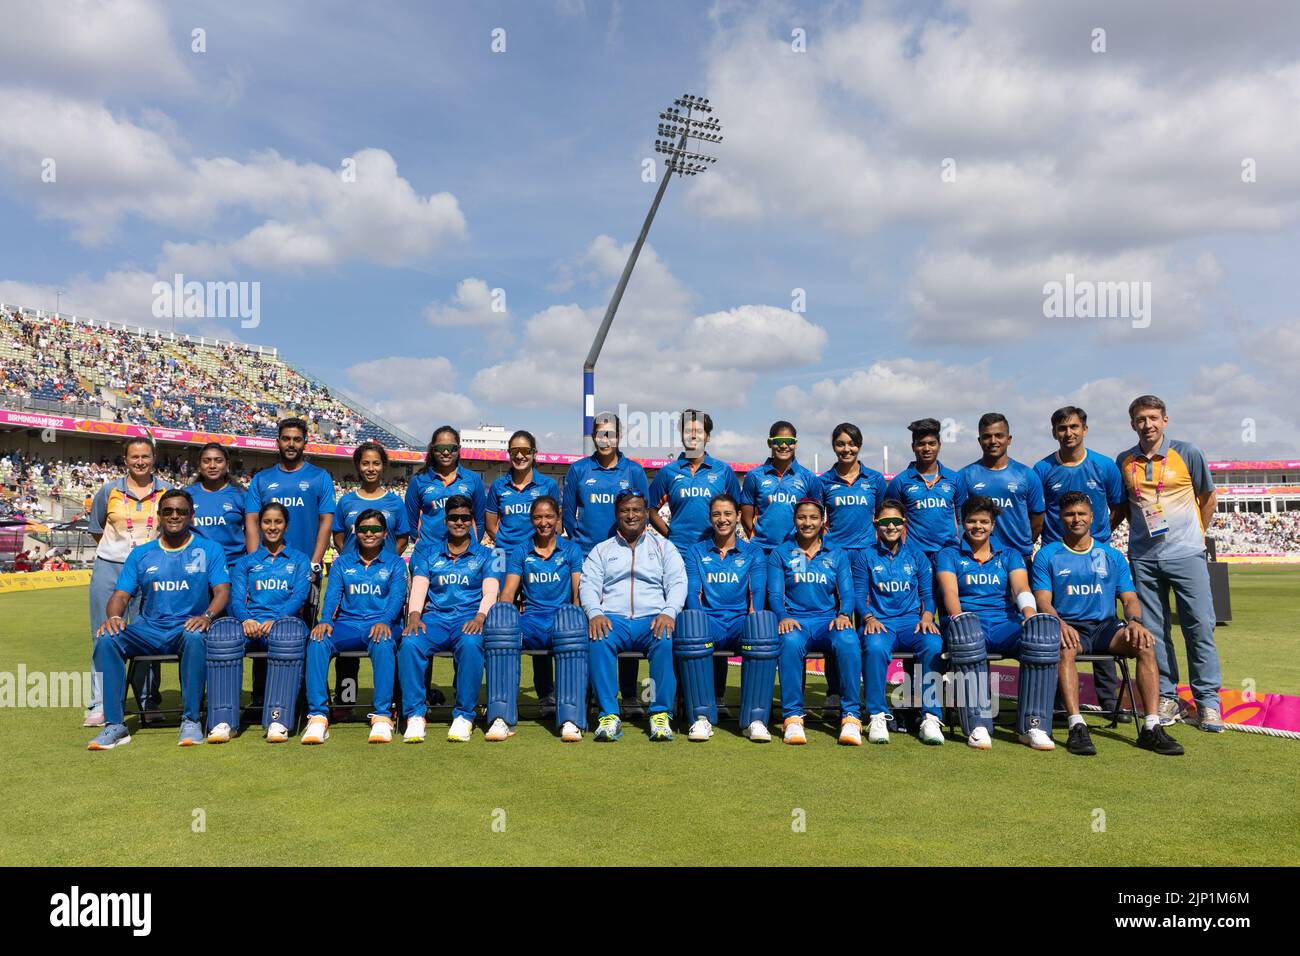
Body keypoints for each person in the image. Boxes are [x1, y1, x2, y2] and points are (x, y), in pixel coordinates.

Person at [1032, 492, 1183, 756]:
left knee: (1145, 644)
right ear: (1060, 517)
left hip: (1105, 628)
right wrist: (1059, 623)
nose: (1076, 519)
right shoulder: (1047, 555)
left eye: (1081, 514)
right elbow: (1042, 601)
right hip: (1071, 626)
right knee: (1063, 647)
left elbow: (1129, 597)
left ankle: (1151, 727)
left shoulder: (1111, 555)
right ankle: (1076, 726)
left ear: (1092, 517)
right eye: (1069, 514)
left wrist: (1135, 622)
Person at [87, 488, 230, 750]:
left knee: (195, 636)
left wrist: (207, 616)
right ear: (160, 515)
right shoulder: (141, 553)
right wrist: (114, 617)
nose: (174, 516)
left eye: (181, 511)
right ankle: (115, 725)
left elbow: (222, 591)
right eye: (168, 511)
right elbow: (120, 595)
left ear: (191, 516)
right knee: (107, 637)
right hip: (149, 630)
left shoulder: (209, 549)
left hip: (186, 629)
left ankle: (191, 720)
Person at [1114, 395, 1223, 731]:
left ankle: (1207, 703)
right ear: (1133, 424)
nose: (1147, 425)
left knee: (1200, 626)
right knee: (1154, 632)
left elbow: (1208, 498)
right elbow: (1124, 507)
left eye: (1152, 418)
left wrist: (1195, 537)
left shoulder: (1187, 453)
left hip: (1187, 555)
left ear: (1164, 420)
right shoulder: (1124, 460)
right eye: (1140, 419)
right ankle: (1166, 696)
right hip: (1144, 559)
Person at [935, 496, 1060, 751]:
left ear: (993, 525)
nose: (978, 526)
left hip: (1004, 623)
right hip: (967, 623)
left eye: (984, 521)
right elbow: (950, 593)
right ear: (963, 523)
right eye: (972, 521)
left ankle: (1033, 725)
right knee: (969, 636)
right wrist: (959, 618)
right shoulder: (949, 554)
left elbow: (1021, 587)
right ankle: (977, 724)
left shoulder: (1010, 554)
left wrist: (1029, 615)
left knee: (1040, 636)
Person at [648, 409, 742, 717]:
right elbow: (650, 508)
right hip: (678, 558)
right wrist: (669, 533)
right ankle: (679, 697)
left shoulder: (723, 471)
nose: (693, 435)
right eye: (688, 431)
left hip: (713, 557)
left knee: (710, 621)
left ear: (708, 436)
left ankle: (714, 697)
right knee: (680, 626)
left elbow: (735, 509)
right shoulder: (668, 472)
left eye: (698, 431)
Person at [1033, 406, 1126, 714]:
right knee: (1059, 624)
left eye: (1074, 427)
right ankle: (1061, 704)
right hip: (1055, 555)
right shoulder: (1042, 469)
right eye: (1062, 428)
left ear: (1085, 429)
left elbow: (1119, 506)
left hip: (1095, 555)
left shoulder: (1104, 466)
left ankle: (1109, 701)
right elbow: (1037, 511)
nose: (1068, 433)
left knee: (1103, 619)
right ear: (1054, 433)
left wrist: (1097, 540)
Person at [244, 418, 336, 712]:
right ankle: (262, 695)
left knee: (305, 631)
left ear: (305, 442)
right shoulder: (261, 479)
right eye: (286, 438)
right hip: (267, 569)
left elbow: (326, 522)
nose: (291, 444)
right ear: (278, 441)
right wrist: (255, 563)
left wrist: (314, 563)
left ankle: (302, 696)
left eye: (297, 439)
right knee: (262, 625)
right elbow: (251, 522)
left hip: (304, 569)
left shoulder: (320, 477)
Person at [580, 488, 686, 742]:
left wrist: (669, 612)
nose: (631, 515)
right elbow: (588, 584)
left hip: (653, 618)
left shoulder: (664, 547)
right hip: (613, 619)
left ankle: (660, 714)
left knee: (665, 639)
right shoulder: (602, 550)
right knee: (598, 637)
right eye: (625, 510)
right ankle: (609, 716)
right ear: (616, 514)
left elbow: (678, 583)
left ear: (646, 514)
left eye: (637, 510)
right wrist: (594, 613)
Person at [563, 412, 651, 715]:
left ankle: (628, 695)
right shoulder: (578, 470)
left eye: (610, 433)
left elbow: (643, 513)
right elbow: (568, 514)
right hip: (588, 558)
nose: (605, 439)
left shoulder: (634, 471)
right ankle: (591, 694)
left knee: (627, 618)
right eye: (600, 433)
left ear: (619, 437)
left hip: (625, 556)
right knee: (592, 624)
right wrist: (582, 549)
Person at [84, 436, 172, 727]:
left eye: (145, 456)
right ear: (125, 460)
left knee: (148, 635)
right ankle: (101, 702)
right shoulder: (109, 490)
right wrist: (119, 554)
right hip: (110, 569)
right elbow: (97, 528)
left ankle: (148, 700)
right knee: (104, 634)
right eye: (134, 457)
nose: (140, 462)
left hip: (151, 572)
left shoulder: (166, 491)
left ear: (153, 458)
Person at [205, 502, 311, 743]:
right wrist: (246, 620)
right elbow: (237, 597)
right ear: (259, 525)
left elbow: (299, 597)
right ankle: (223, 721)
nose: (272, 527)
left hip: (286, 625)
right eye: (267, 522)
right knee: (223, 636)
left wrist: (277, 619)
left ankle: (278, 719)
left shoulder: (299, 559)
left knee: (287, 637)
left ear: (286, 525)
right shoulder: (246, 562)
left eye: (278, 522)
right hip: (251, 626)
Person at [301, 510, 408, 745]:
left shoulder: (396, 563)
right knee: (318, 641)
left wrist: (386, 620)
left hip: (382, 624)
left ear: (385, 533)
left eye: (375, 529)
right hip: (348, 625)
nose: (369, 534)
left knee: (382, 641)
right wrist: (326, 620)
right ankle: (318, 716)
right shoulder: (342, 563)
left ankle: (382, 716)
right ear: (355, 532)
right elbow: (332, 595)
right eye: (364, 530)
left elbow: (398, 598)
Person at [399, 495, 499, 743]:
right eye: (454, 517)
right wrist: (414, 616)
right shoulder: (428, 553)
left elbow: (491, 592)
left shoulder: (488, 555)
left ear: (472, 521)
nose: (459, 522)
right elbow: (420, 588)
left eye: (465, 517)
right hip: (435, 620)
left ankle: (464, 715)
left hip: (468, 619)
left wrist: (480, 616)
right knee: (410, 642)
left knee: (471, 644)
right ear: (446, 521)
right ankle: (414, 715)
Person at [488, 496, 587, 742]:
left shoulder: (571, 549)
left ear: (558, 519)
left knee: (571, 628)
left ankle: (570, 719)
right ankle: (501, 717)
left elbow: (578, 594)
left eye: (549, 517)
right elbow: (509, 592)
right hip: (531, 620)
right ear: (531, 520)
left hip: (561, 620)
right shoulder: (521, 550)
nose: (543, 522)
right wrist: (503, 617)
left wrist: (575, 616)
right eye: (538, 517)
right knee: (502, 632)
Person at [768, 498, 862, 746]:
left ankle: (851, 717)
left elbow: (847, 593)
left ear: (823, 521)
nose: (807, 523)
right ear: (794, 520)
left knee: (850, 640)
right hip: (796, 622)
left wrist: (844, 614)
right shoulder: (781, 553)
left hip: (827, 622)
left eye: (813, 518)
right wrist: (782, 616)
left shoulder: (837, 553)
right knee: (788, 643)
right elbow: (775, 595)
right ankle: (793, 718)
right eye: (801, 517)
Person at [679, 493, 770, 741]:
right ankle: (701, 718)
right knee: (691, 626)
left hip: (741, 623)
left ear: (738, 516)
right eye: (717, 514)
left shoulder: (753, 552)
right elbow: (692, 593)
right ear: (710, 518)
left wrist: (753, 621)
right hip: (710, 623)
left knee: (762, 628)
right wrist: (697, 621)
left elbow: (757, 592)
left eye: (728, 514)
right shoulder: (696, 551)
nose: (722, 519)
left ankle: (755, 719)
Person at [484, 429, 562, 713]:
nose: (519, 456)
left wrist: (532, 546)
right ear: (509, 453)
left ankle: (546, 693)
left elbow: (556, 519)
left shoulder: (548, 485)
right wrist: (508, 545)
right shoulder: (498, 486)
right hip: (504, 559)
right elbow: (491, 522)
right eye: (514, 451)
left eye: (525, 451)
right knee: (498, 621)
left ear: (534, 454)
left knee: (539, 618)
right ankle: (497, 692)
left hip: (537, 556)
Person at [855, 499, 945, 745]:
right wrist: (869, 617)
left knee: (934, 644)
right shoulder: (865, 556)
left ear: (904, 524)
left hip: (911, 623)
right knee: (873, 648)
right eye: (885, 522)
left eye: (896, 521)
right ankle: (877, 715)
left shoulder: (917, 556)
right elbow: (859, 595)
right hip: (880, 623)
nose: (891, 526)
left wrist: (927, 616)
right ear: (876, 524)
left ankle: (930, 717)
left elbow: (928, 594)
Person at [819, 422, 887, 719]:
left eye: (852, 444)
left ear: (860, 445)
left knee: (869, 622)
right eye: (840, 444)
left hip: (867, 559)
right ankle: (837, 692)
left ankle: (872, 696)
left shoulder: (875, 480)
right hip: (835, 560)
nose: (846, 449)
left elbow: (887, 518)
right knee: (839, 625)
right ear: (833, 446)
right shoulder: (822, 482)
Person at [955, 413, 1044, 564]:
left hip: (1019, 556)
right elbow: (960, 518)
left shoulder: (1027, 474)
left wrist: (1022, 544)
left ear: (1009, 439)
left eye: (999, 435)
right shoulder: (965, 475)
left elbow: (1037, 519)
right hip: (978, 558)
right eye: (987, 436)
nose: (993, 441)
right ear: (979, 440)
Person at [405, 426, 487, 560]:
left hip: (464, 555)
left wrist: (471, 544)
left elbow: (480, 520)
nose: (446, 452)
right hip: (428, 554)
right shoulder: (418, 481)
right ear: (432, 449)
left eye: (452, 448)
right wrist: (422, 542)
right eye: (440, 448)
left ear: (459, 449)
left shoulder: (473, 479)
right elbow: (411, 522)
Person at [884, 418, 960, 561]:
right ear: (913, 446)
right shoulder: (900, 481)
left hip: (949, 553)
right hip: (914, 555)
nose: (926, 449)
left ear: (939, 446)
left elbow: (963, 519)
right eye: (921, 444)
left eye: (932, 444)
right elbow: (890, 520)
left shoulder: (955, 478)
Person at [740, 421, 822, 552]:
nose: (784, 446)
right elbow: (745, 515)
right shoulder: (754, 476)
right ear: (770, 443)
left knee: (798, 573)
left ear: (795, 444)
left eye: (789, 441)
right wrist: (757, 537)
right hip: (762, 549)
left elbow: (817, 514)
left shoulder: (809, 477)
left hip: (797, 549)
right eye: (779, 441)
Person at [333, 441, 410, 555]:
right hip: (352, 571)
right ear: (358, 466)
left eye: (376, 463)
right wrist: (351, 561)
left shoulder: (396, 502)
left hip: (385, 571)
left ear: (383, 466)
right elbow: (338, 539)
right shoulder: (345, 502)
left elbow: (403, 540)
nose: (371, 468)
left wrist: (387, 564)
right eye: (365, 463)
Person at [188, 442, 246, 575]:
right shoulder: (187, 495)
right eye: (206, 461)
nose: (212, 466)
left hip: (233, 568)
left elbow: (251, 533)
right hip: (196, 569)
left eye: (218, 461)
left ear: (227, 464)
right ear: (199, 465)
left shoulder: (241, 495)